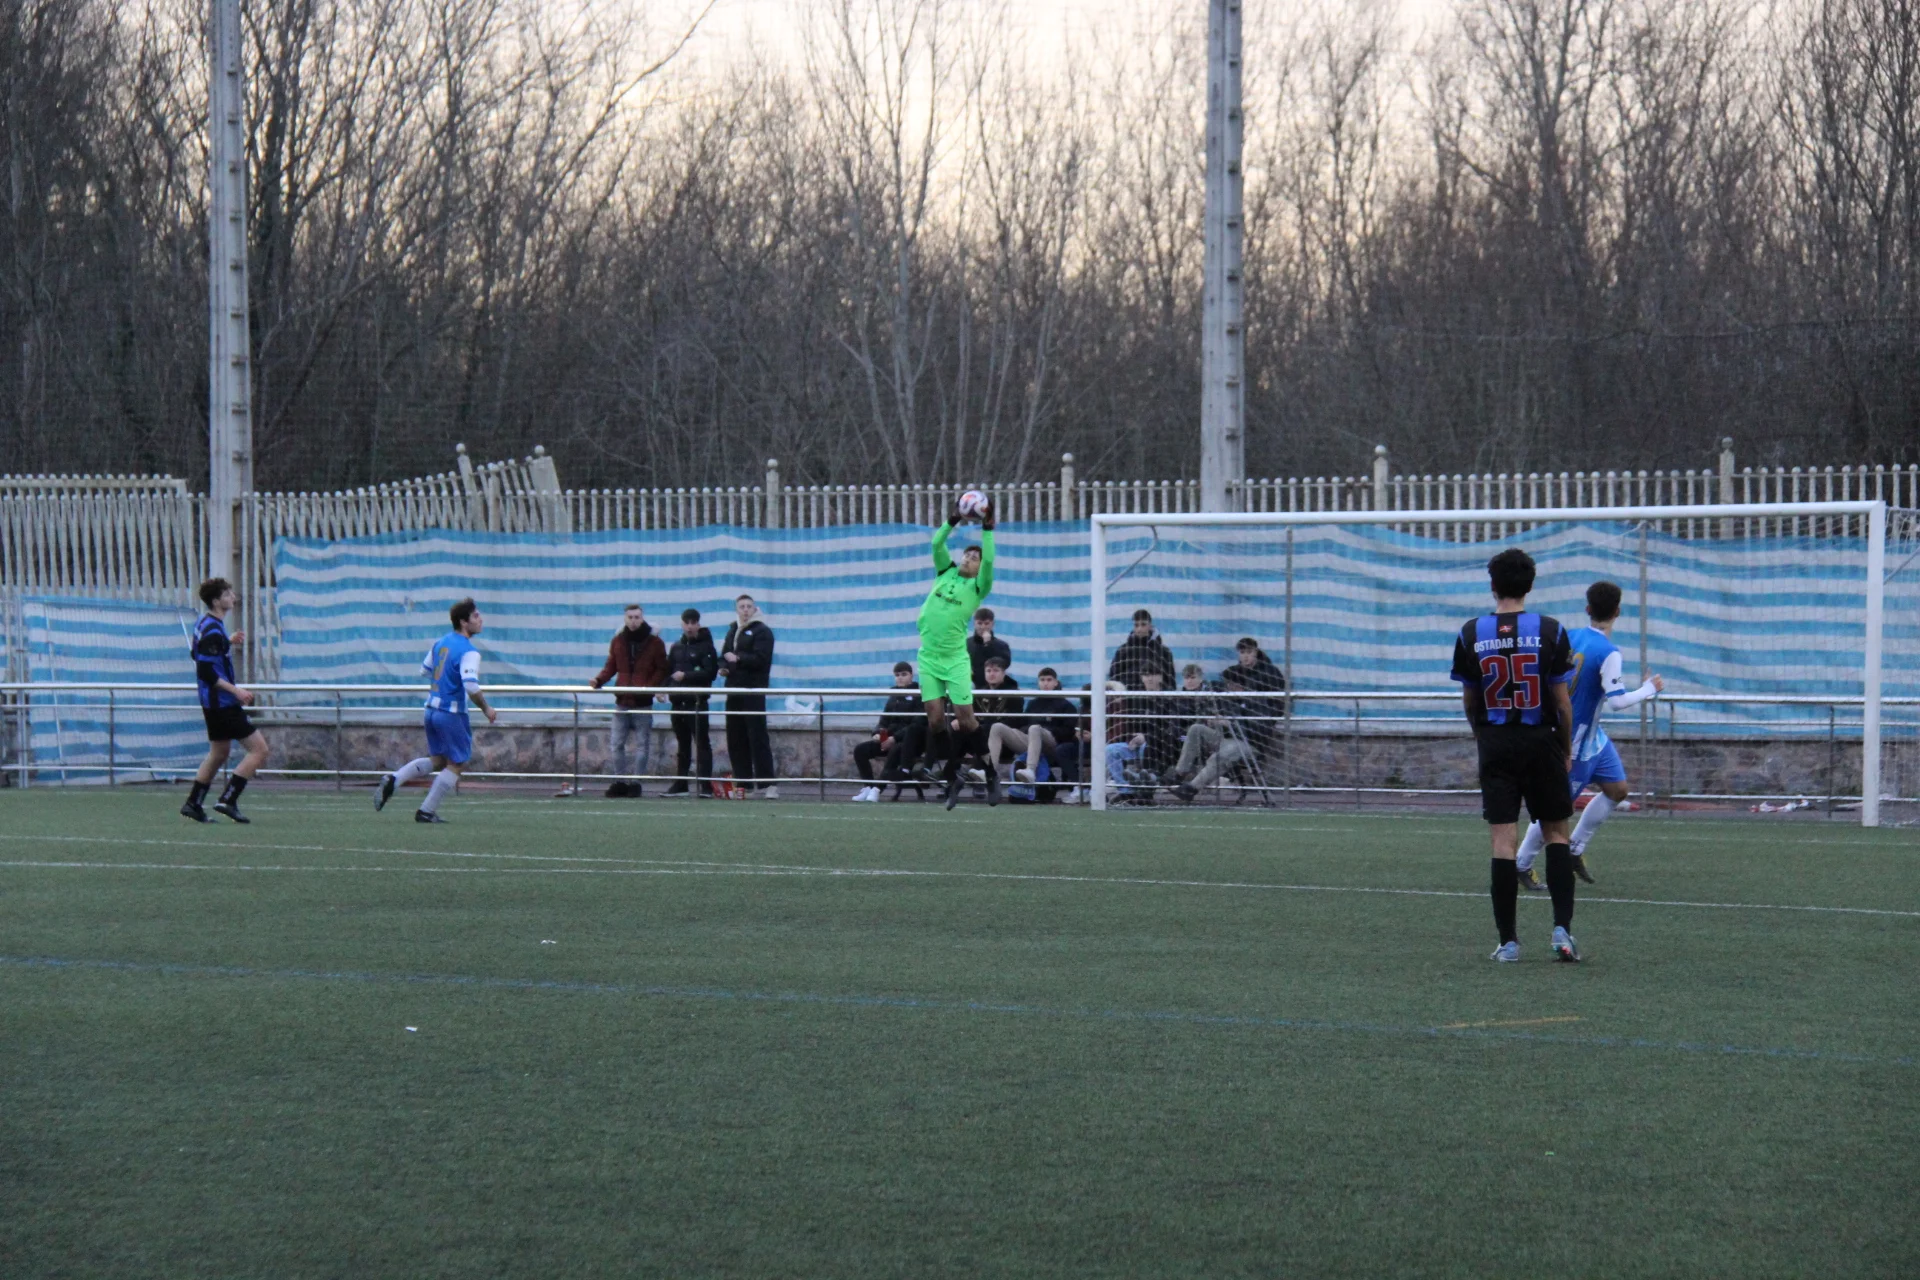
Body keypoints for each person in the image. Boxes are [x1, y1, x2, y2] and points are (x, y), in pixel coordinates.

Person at [1450, 548, 1579, 963]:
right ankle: (1562, 930)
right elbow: (1562, 703)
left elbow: (1469, 700)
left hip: (1496, 743)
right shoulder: (1552, 630)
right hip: (1541, 740)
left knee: (1502, 842)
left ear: (1493, 585)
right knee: (1556, 833)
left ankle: (1508, 943)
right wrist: (1566, 748)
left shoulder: (1471, 632)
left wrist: (1482, 737)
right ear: (1531, 585)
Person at [1515, 581, 1664, 890]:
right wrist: (1649, 689)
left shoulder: (1569, 636)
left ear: (1587, 609)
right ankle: (1521, 864)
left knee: (1618, 789)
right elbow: (1618, 701)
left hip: (1594, 739)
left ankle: (1575, 848)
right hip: (1574, 742)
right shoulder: (1609, 652)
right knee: (1553, 811)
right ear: (1618, 612)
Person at [375, 597, 499, 823]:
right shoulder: (469, 651)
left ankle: (395, 779)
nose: (480, 620)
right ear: (463, 622)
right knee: (457, 763)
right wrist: (486, 708)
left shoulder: (441, 642)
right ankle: (426, 811)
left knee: (440, 760)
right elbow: (471, 686)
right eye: (475, 616)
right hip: (451, 713)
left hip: (431, 710)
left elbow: (425, 670)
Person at [911, 495, 998, 809]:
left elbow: (989, 561)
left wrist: (987, 529)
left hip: (955, 660)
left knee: (966, 719)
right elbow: (937, 543)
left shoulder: (977, 587)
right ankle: (952, 777)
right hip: (928, 658)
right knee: (935, 720)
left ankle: (990, 772)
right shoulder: (945, 572)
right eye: (967, 554)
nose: (968, 558)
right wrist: (953, 519)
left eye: (974, 557)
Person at [180, 577, 269, 824]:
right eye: (228, 594)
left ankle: (193, 803)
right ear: (217, 600)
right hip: (222, 703)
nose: (233, 597)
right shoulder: (212, 630)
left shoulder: (207, 624)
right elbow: (205, 671)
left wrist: (226, 641)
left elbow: (196, 653)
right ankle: (228, 800)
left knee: (219, 752)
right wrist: (236, 691)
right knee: (259, 750)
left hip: (211, 702)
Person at [589, 603, 667, 797]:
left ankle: (636, 783)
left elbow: (662, 668)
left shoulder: (655, 642)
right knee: (616, 744)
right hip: (622, 700)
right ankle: (620, 781)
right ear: (625, 619)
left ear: (642, 618)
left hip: (643, 701)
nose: (633, 621)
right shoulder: (618, 641)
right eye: (630, 617)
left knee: (642, 744)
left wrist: (649, 687)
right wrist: (599, 680)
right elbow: (611, 666)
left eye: (636, 617)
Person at [1168, 664, 1258, 802]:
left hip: (1246, 742)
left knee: (1220, 756)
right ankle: (1179, 773)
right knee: (1196, 729)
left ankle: (1191, 788)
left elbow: (1258, 729)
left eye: (1232, 684)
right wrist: (1213, 720)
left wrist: (1230, 723)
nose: (1228, 687)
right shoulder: (1223, 697)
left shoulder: (1255, 700)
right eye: (1227, 683)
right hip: (1224, 738)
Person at [720, 594, 777, 798]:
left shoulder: (762, 631)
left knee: (757, 736)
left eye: (748, 606)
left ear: (754, 609)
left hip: (753, 690)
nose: (745, 610)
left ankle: (767, 784)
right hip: (734, 689)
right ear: (737, 609)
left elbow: (761, 658)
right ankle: (744, 783)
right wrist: (724, 667)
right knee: (736, 737)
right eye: (742, 606)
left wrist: (738, 658)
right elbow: (724, 654)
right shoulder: (733, 630)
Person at [988, 667, 1079, 793]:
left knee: (1035, 728)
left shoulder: (1066, 705)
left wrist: (1046, 729)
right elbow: (1022, 723)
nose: (1045, 683)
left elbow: (1068, 732)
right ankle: (990, 770)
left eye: (1049, 680)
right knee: (997, 727)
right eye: (1042, 680)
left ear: (1055, 683)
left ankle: (1030, 770)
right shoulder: (1032, 704)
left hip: (1052, 745)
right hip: (1031, 741)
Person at [1103, 668, 1181, 802]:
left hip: (1158, 747)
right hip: (1136, 744)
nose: (1149, 678)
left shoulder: (1169, 699)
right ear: (1141, 678)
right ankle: (1126, 791)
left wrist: (1146, 738)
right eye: (1146, 675)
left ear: (1161, 677)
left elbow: (1173, 731)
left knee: (1146, 746)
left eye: (1153, 674)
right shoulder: (1136, 699)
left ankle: (1145, 791)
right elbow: (1128, 726)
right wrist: (1132, 738)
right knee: (1110, 750)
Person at [851, 662, 924, 802]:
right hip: (888, 740)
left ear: (911, 676)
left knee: (895, 750)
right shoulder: (893, 696)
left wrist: (894, 738)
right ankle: (868, 786)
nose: (900, 678)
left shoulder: (918, 695)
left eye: (904, 674)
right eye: (897, 675)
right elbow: (884, 721)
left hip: (907, 743)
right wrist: (878, 734)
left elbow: (916, 724)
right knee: (860, 750)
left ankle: (878, 789)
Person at [665, 608, 719, 796]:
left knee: (702, 744)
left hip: (696, 703)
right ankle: (681, 784)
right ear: (682, 624)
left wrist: (686, 675)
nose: (689, 627)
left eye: (693, 623)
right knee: (683, 745)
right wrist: (663, 688)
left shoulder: (706, 647)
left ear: (698, 624)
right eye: (686, 623)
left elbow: (710, 673)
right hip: (677, 703)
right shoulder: (676, 647)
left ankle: (705, 786)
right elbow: (668, 670)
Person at [1108, 609, 1177, 690]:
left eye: (1143, 624)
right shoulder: (1122, 651)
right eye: (1136, 625)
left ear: (1150, 626)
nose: (1139, 629)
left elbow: (1170, 682)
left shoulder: (1164, 652)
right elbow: (1114, 679)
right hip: (1129, 696)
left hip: (1156, 696)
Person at [967, 608, 1012, 689]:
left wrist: (988, 645)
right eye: (979, 623)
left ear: (992, 624)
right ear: (974, 624)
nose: (983, 627)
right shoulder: (967, 644)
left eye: (986, 623)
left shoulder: (1002, 645)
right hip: (972, 686)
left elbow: (1005, 664)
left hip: (995, 687)